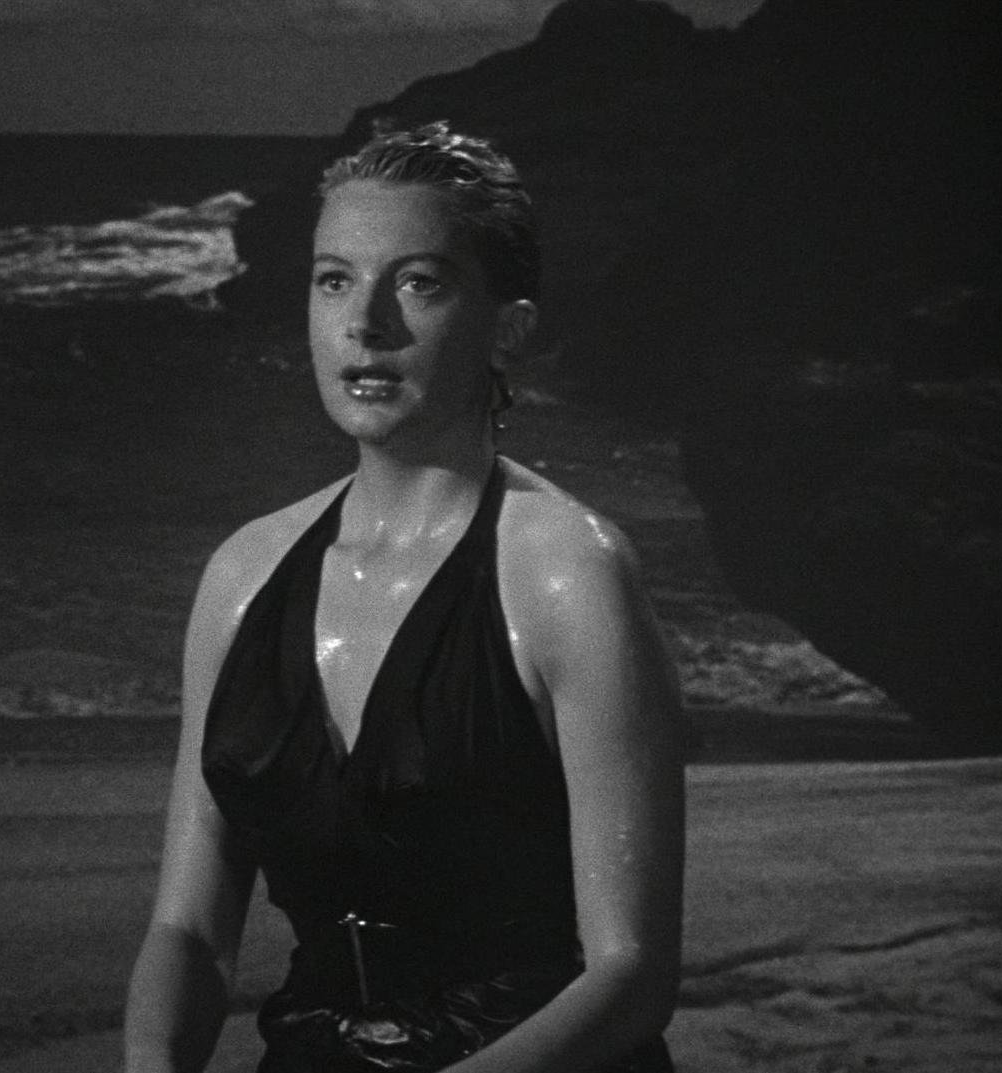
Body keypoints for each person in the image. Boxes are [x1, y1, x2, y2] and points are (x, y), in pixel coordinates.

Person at [124, 122, 685, 1073]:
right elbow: (188, 930)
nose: (366, 322)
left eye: (418, 282)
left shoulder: (565, 571)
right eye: (333, 280)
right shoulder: (243, 574)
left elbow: (631, 974)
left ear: (507, 326)